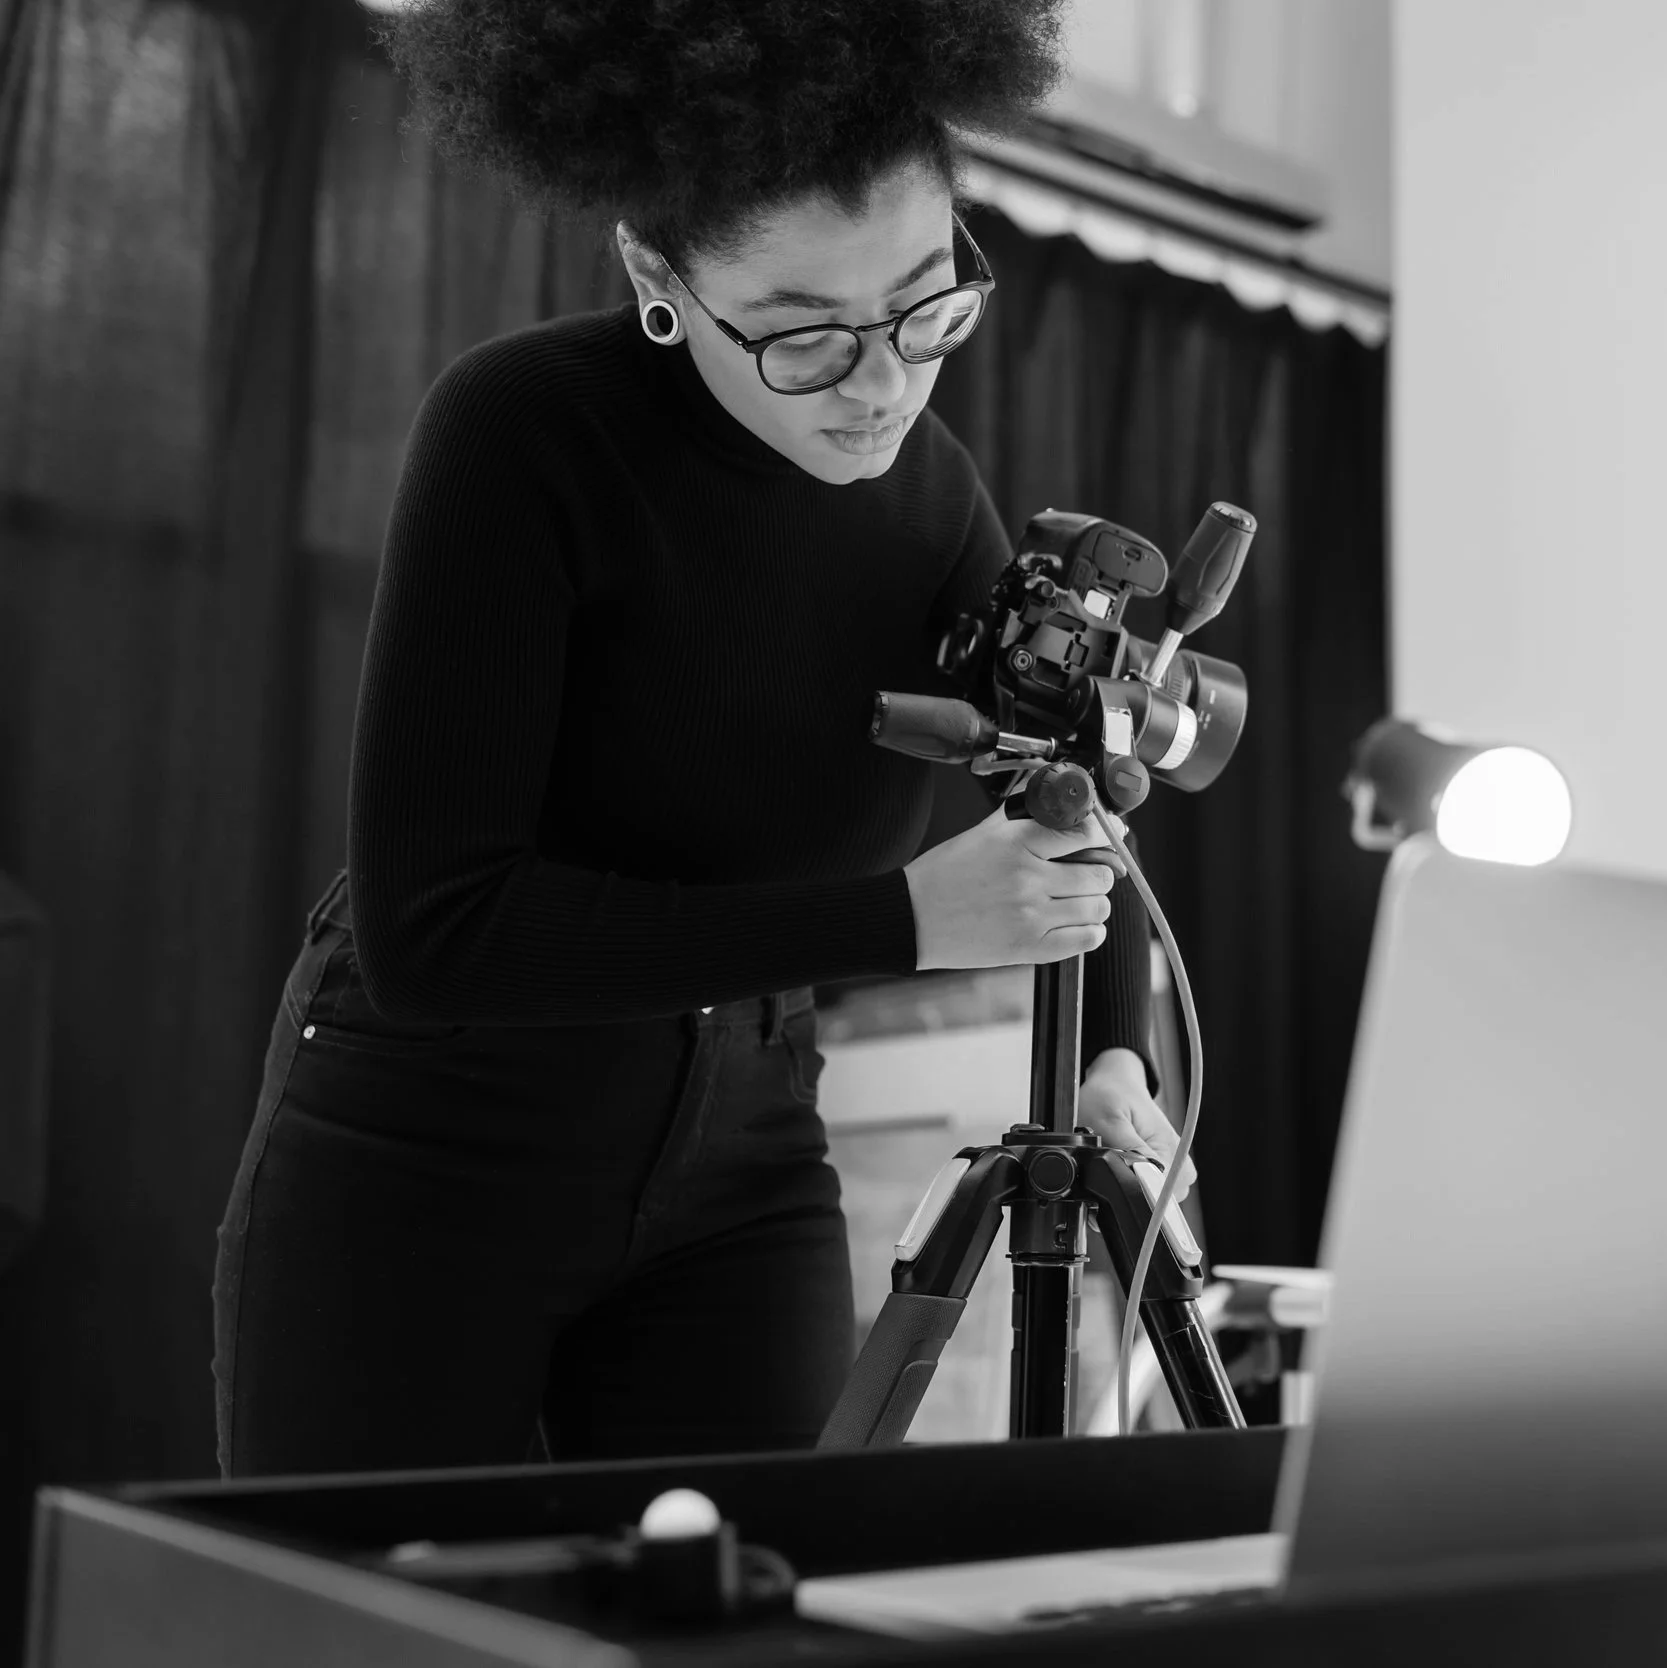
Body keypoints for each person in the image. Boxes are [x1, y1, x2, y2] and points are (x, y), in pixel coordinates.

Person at [210, 0, 1189, 1478]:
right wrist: (903, 917)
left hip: (743, 1152)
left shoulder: (930, 497)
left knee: (765, 1599)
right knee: (367, 1624)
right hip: (430, 1146)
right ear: (655, 274)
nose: (881, 384)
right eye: (803, 335)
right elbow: (438, 932)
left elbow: (1056, 786)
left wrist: (1118, 1049)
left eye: (928, 306)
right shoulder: (526, 435)